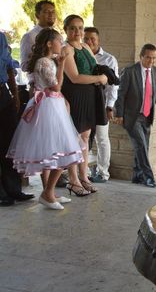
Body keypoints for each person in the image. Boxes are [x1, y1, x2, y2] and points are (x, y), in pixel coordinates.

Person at [7, 29, 83, 210]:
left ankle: (49, 192)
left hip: (50, 104)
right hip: (49, 106)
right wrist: (63, 64)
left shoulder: (47, 61)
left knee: (51, 150)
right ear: (50, 43)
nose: (62, 44)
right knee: (63, 149)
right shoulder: (45, 62)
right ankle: (47, 193)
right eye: (59, 41)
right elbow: (56, 87)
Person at [61, 15, 108, 196]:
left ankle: (83, 176)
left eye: (80, 28)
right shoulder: (67, 49)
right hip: (75, 96)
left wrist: (104, 77)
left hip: (89, 95)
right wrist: (99, 79)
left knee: (86, 137)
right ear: (66, 30)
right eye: (73, 28)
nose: (77, 32)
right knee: (74, 138)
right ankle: (72, 180)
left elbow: (95, 67)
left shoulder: (86, 46)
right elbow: (74, 77)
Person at [113, 44, 156, 188]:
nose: (151, 61)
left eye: (154, 58)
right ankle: (149, 177)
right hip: (132, 117)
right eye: (148, 57)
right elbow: (121, 95)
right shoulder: (130, 71)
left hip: (147, 116)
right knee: (141, 145)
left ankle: (137, 176)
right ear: (141, 56)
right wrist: (119, 115)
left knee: (143, 147)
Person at [0, 32, 34, 206]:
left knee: (10, 142)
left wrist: (14, 94)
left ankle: (14, 189)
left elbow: (8, 66)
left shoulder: (1, 37)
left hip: (3, 92)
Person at [83, 27, 118, 183]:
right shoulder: (80, 56)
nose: (89, 42)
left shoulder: (109, 59)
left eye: (92, 39)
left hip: (101, 104)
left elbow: (113, 86)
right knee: (83, 138)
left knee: (102, 139)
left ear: (98, 40)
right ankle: (82, 172)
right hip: (84, 103)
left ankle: (103, 173)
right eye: (86, 39)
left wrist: (109, 106)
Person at [19, 0, 56, 71]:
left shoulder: (56, 35)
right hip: (38, 81)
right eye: (46, 12)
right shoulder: (29, 36)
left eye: (53, 12)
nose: (51, 15)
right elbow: (24, 66)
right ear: (37, 15)